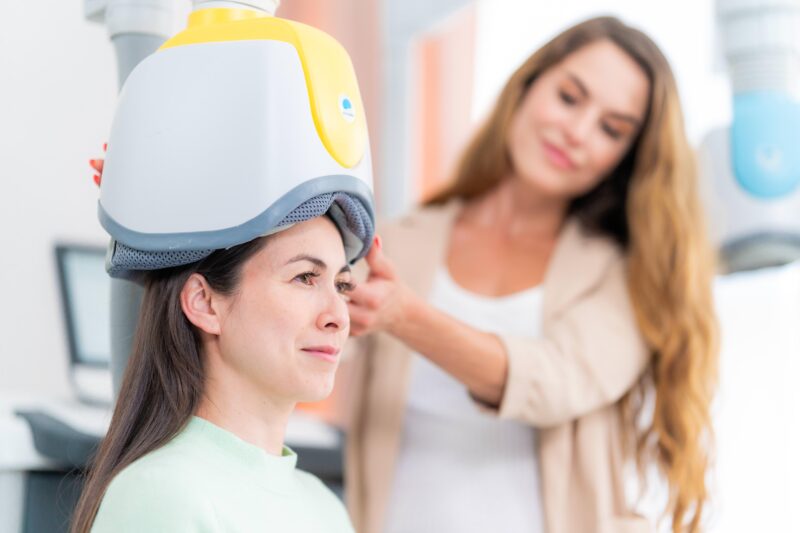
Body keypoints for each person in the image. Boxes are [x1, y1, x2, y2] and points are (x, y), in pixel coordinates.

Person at [343, 16, 718, 533]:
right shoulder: (401, 240)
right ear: (527, 85)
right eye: (569, 98)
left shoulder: (625, 275)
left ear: (626, 158)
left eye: (611, 129)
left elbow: (553, 381)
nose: (577, 132)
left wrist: (405, 317)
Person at [70, 196, 373, 533]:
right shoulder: (162, 494)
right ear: (205, 303)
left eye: (341, 286)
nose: (338, 317)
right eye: (304, 277)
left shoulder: (325, 508)